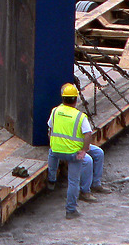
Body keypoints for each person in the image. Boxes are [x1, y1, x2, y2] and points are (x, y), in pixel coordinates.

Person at [46, 83, 108, 219]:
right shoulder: (80, 116)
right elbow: (88, 134)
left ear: (62, 98)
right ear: (75, 99)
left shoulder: (55, 111)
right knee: (76, 177)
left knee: (98, 153)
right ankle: (74, 206)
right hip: (73, 152)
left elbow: (50, 129)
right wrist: (84, 150)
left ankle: (52, 181)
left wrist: (55, 144)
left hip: (56, 150)